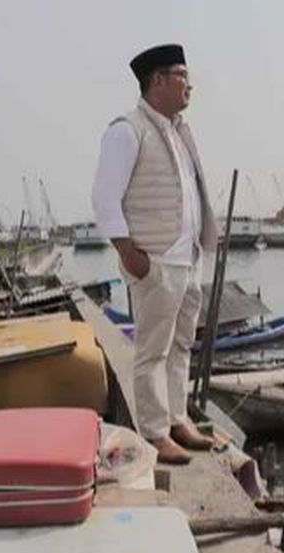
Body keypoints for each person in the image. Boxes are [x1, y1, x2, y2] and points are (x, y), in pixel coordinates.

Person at [91, 44, 218, 464]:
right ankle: (155, 432)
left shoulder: (179, 131)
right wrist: (131, 255)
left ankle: (177, 419)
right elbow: (105, 199)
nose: (190, 86)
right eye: (182, 76)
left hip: (187, 259)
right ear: (158, 80)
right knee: (152, 350)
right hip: (156, 261)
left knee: (182, 345)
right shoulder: (127, 130)